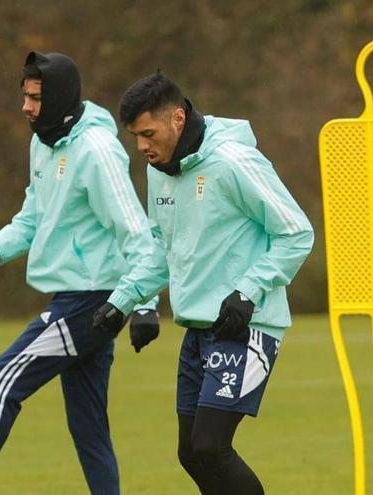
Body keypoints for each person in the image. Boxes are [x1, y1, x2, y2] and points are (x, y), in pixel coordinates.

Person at [0, 51, 167, 495]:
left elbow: (136, 232)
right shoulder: (44, 141)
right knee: (89, 430)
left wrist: (144, 304)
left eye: (36, 98)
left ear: (59, 97)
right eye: (24, 95)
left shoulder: (96, 151)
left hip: (93, 300)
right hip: (76, 298)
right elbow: (35, 213)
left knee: (0, 379)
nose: (26, 106)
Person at [117, 72, 314, 495]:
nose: (142, 147)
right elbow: (160, 246)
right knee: (191, 452)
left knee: (209, 446)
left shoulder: (233, 162)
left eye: (148, 134)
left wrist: (249, 291)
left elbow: (296, 232)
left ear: (177, 118)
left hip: (246, 327)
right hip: (199, 329)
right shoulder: (159, 171)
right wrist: (127, 301)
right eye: (135, 137)